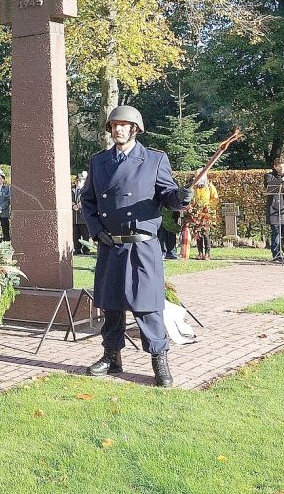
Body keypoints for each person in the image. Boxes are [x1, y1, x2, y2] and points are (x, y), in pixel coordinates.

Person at [81, 106, 194, 387]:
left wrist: (181, 197)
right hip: (111, 245)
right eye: (114, 125)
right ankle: (111, 356)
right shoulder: (99, 162)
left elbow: (168, 196)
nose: (118, 129)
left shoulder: (154, 160)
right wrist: (97, 231)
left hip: (143, 246)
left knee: (148, 306)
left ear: (135, 129)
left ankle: (159, 360)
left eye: (124, 125)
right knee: (111, 304)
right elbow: (88, 201)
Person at [265, 157, 284, 262]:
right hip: (274, 208)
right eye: (280, 168)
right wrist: (283, 179)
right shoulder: (269, 176)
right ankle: (276, 254)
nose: (283, 169)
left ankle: (282, 252)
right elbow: (269, 185)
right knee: (276, 231)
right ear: (275, 167)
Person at [191, 173, 219, 260]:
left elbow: (215, 198)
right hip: (197, 212)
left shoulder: (210, 186)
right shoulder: (194, 187)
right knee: (198, 233)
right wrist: (193, 207)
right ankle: (200, 253)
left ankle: (207, 253)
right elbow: (191, 198)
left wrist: (208, 207)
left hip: (207, 212)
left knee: (205, 233)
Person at [72, 171, 91, 254]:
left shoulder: (86, 190)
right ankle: (77, 249)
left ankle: (86, 249)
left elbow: (88, 201)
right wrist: (72, 205)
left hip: (83, 217)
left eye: (80, 180)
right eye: (77, 180)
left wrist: (79, 206)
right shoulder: (72, 190)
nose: (78, 182)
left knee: (85, 234)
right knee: (76, 235)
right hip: (74, 217)